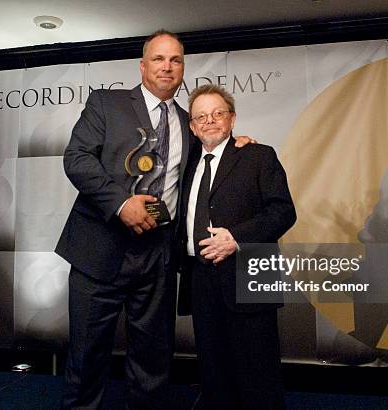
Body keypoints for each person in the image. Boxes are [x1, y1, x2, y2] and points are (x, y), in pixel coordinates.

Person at [55, 31, 253, 409]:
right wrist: (120, 203)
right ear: (142, 66)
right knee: (86, 358)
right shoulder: (105, 103)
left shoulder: (189, 122)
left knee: (152, 363)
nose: (167, 66)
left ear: (182, 69)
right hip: (99, 252)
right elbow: (77, 158)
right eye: (159, 59)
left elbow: (209, 161)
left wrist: (237, 144)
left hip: (158, 259)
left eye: (176, 60)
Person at [178, 85, 296, 409]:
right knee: (214, 375)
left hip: (250, 274)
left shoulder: (258, 155)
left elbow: (284, 211)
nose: (210, 121)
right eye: (201, 116)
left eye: (218, 113)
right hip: (201, 280)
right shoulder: (186, 166)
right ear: (192, 127)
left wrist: (237, 239)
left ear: (232, 119)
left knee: (258, 376)